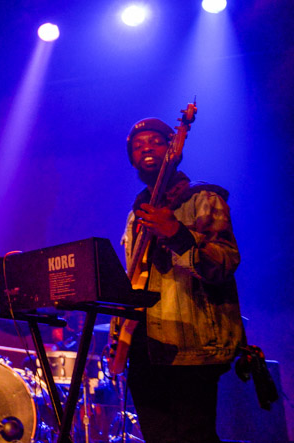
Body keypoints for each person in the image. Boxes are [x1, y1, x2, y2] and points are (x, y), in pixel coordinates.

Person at [121, 117, 242, 443]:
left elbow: (224, 265)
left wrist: (177, 234)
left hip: (191, 347)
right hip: (146, 349)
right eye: (138, 145)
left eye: (156, 141)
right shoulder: (137, 214)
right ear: (132, 157)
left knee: (194, 437)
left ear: (173, 150)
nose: (146, 148)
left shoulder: (202, 199)